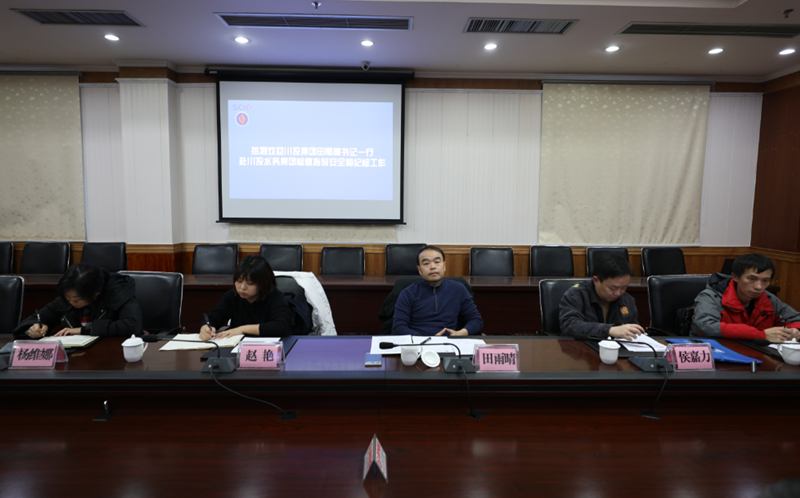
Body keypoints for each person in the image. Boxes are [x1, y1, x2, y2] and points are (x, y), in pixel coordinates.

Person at [12, 263, 142, 339]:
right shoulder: (68, 296)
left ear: (97, 292)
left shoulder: (118, 293)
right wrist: (34, 328)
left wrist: (83, 330)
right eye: (67, 297)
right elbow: (34, 319)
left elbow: (132, 326)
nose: (70, 302)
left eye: (76, 299)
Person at [692, 253, 800, 341]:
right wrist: (761, 334)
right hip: (717, 352)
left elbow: (796, 319)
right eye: (752, 279)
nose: (759, 287)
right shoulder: (711, 297)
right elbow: (706, 326)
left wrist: (794, 330)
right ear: (735, 277)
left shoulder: (769, 299)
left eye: (765, 280)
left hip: (758, 353)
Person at [392, 245, 483, 336]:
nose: (432, 267)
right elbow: (398, 327)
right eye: (426, 263)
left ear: (444, 266)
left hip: (450, 341)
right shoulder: (408, 293)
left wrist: (460, 333)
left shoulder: (459, 289)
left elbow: (476, 320)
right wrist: (427, 340)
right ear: (419, 270)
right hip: (419, 342)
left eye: (437, 262)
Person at [199, 255, 292, 340]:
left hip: (268, 347)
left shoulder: (275, 297)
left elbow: (282, 326)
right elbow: (215, 316)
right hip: (237, 347)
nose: (242, 287)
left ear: (263, 283)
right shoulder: (232, 295)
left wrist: (242, 329)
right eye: (239, 281)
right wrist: (205, 328)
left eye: (250, 283)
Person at [559, 253, 643, 340]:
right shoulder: (575, 296)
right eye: (613, 288)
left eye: (624, 287)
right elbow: (569, 326)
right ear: (596, 280)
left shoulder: (627, 299)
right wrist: (609, 330)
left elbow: (633, 330)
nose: (618, 293)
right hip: (584, 346)